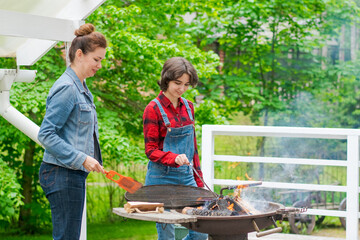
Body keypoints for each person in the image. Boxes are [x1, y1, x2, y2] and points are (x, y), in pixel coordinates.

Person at [38, 23, 106, 240]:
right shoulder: (68, 88)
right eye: (96, 59)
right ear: (79, 54)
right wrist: (82, 158)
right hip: (61, 174)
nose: (100, 65)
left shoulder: (82, 88)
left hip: (70, 173)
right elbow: (46, 134)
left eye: (101, 60)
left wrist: (88, 159)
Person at [143, 57, 208, 240]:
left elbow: (193, 149)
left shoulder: (189, 107)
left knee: (200, 232)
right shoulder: (152, 109)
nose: (182, 89)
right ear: (166, 80)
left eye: (186, 85)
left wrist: (199, 181)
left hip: (187, 176)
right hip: (160, 178)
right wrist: (173, 157)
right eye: (177, 83)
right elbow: (150, 150)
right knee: (166, 234)